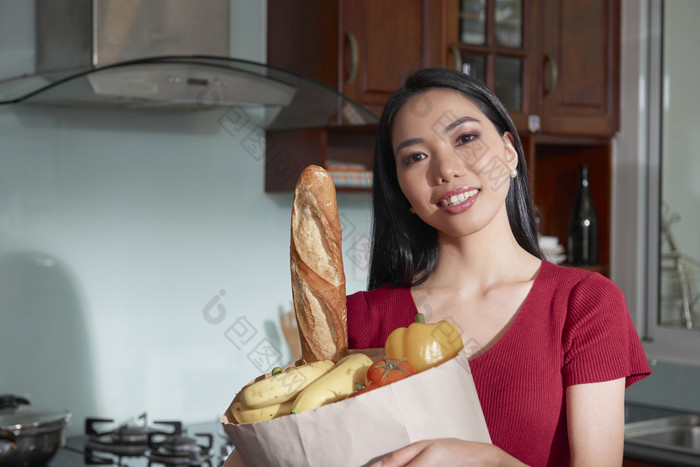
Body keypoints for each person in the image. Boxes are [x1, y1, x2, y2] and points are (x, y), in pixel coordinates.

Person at [346, 67, 651, 466]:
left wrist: (491, 461)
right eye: (416, 156)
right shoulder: (359, 319)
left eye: (466, 138)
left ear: (509, 152)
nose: (446, 169)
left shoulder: (585, 304)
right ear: (403, 191)